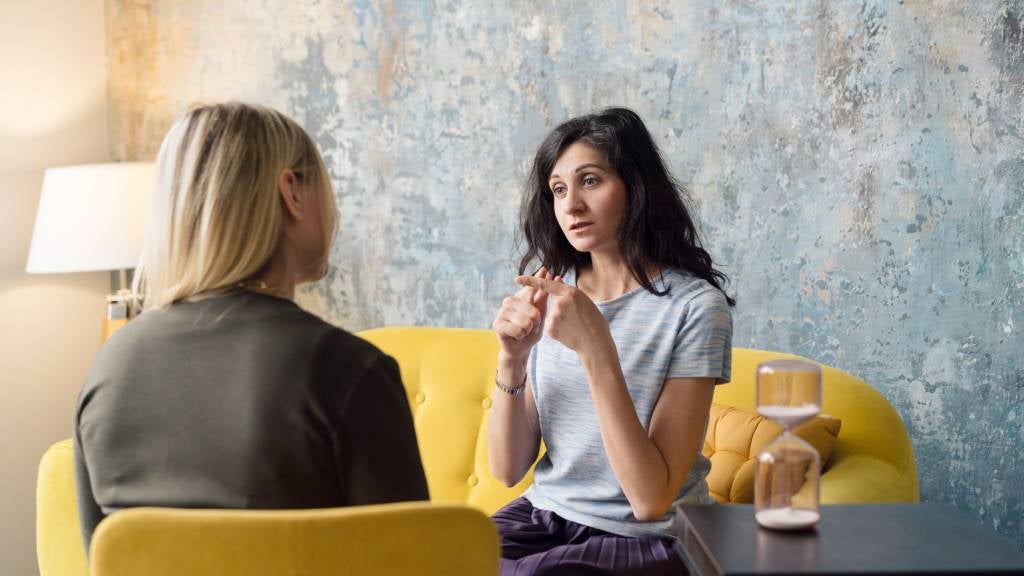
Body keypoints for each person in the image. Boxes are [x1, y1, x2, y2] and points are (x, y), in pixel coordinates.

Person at [74, 102, 428, 552]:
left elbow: (100, 556)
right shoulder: (346, 369)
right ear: (291, 193)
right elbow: (413, 558)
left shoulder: (110, 365)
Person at [488, 107, 734, 575]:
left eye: (591, 181)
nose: (571, 205)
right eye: (558, 189)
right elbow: (506, 470)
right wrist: (512, 359)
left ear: (636, 187)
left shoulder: (695, 308)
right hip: (547, 516)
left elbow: (650, 499)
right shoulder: (555, 292)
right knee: (438, 557)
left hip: (647, 537)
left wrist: (596, 348)